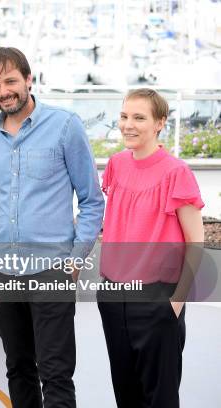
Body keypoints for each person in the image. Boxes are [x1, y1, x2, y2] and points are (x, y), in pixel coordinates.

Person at [0, 47, 104, 408]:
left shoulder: (65, 125)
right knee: (18, 369)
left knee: (56, 373)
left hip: (51, 270)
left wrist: (75, 260)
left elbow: (92, 200)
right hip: (2, 271)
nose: (3, 91)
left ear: (29, 80)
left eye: (11, 80)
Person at [98, 88, 204, 408]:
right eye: (124, 116)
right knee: (126, 395)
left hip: (158, 299)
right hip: (115, 296)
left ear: (160, 123)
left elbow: (195, 241)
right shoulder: (116, 164)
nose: (128, 124)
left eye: (139, 117)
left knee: (160, 398)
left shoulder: (176, 172)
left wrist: (176, 302)